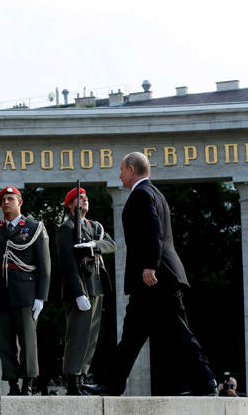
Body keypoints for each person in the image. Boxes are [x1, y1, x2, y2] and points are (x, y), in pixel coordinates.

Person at [89, 152, 216, 396]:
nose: (119, 175)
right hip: (155, 279)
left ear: (131, 169)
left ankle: (207, 383)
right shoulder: (155, 193)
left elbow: (153, 231)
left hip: (157, 278)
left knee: (178, 333)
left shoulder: (142, 194)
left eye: (122, 170)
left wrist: (150, 265)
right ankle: (112, 384)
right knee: (133, 335)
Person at [0, 186, 51, 395]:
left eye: (10, 199)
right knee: (5, 342)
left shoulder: (33, 227)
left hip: (25, 294)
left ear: (20, 202)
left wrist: (41, 297)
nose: (5, 202)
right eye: (3, 199)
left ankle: (28, 383)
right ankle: (12, 383)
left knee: (28, 342)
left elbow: (44, 265)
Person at [57, 187, 116, 395]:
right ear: (70, 205)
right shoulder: (68, 227)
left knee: (91, 337)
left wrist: (94, 245)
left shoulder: (94, 226)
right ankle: (72, 380)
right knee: (78, 335)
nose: (84, 200)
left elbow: (111, 244)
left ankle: (81, 376)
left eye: (85, 198)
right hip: (80, 287)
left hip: (97, 286)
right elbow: (67, 264)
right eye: (78, 198)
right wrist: (78, 292)